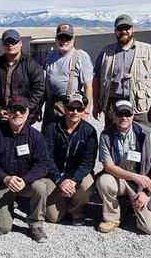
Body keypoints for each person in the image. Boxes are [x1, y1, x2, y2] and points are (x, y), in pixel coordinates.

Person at [0, 95, 54, 243]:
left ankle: (36, 224)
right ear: (7, 112)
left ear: (28, 112)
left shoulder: (36, 136)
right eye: (14, 109)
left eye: (21, 109)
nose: (18, 113)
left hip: (25, 183)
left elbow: (43, 164)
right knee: (2, 229)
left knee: (40, 186)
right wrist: (5, 178)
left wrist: (25, 179)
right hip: (3, 183)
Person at [96, 100, 151, 234]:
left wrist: (147, 192)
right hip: (122, 180)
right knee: (104, 181)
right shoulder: (106, 135)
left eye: (128, 114)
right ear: (113, 116)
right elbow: (108, 166)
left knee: (149, 228)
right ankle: (112, 217)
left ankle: (142, 205)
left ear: (133, 115)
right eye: (120, 113)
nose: (124, 117)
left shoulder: (147, 134)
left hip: (145, 184)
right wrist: (134, 176)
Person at [92, 14, 151, 128]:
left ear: (133, 29)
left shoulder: (148, 50)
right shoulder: (106, 52)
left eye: (126, 28)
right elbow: (96, 78)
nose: (123, 31)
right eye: (119, 28)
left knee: (144, 138)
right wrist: (96, 104)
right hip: (113, 104)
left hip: (140, 105)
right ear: (115, 31)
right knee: (113, 139)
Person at [42, 93, 97, 226]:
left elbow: (88, 163)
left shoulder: (89, 131)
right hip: (55, 174)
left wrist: (73, 181)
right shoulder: (51, 128)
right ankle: (63, 200)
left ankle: (75, 210)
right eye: (71, 108)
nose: (75, 112)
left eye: (79, 109)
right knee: (54, 218)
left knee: (88, 182)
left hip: (74, 175)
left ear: (84, 111)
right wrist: (59, 180)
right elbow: (46, 158)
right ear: (65, 109)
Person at [0, 29, 45, 126]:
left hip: (22, 119)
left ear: (20, 43)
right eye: (7, 42)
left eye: (14, 42)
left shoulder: (32, 65)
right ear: (3, 45)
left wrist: (24, 109)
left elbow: (39, 89)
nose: (10, 45)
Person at [43, 23, 94, 126]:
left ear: (73, 39)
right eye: (61, 38)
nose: (64, 41)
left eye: (68, 38)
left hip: (70, 106)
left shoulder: (81, 56)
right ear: (56, 39)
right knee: (48, 137)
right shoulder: (50, 56)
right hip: (51, 105)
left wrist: (86, 111)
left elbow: (88, 86)